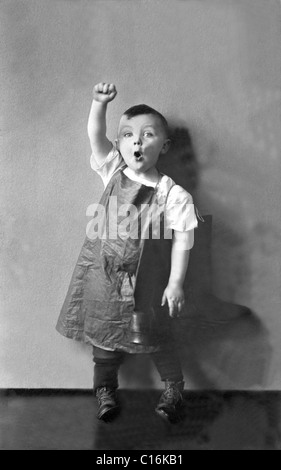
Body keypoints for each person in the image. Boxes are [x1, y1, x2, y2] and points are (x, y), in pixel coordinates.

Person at [56, 82, 198, 423]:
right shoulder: (112, 171)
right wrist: (98, 104)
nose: (137, 141)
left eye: (147, 135)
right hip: (104, 278)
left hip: (147, 281)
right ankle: (104, 391)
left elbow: (183, 238)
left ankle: (174, 389)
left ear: (163, 146)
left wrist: (176, 282)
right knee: (103, 341)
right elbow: (95, 134)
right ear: (118, 145)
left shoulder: (171, 193)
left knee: (157, 338)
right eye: (128, 135)